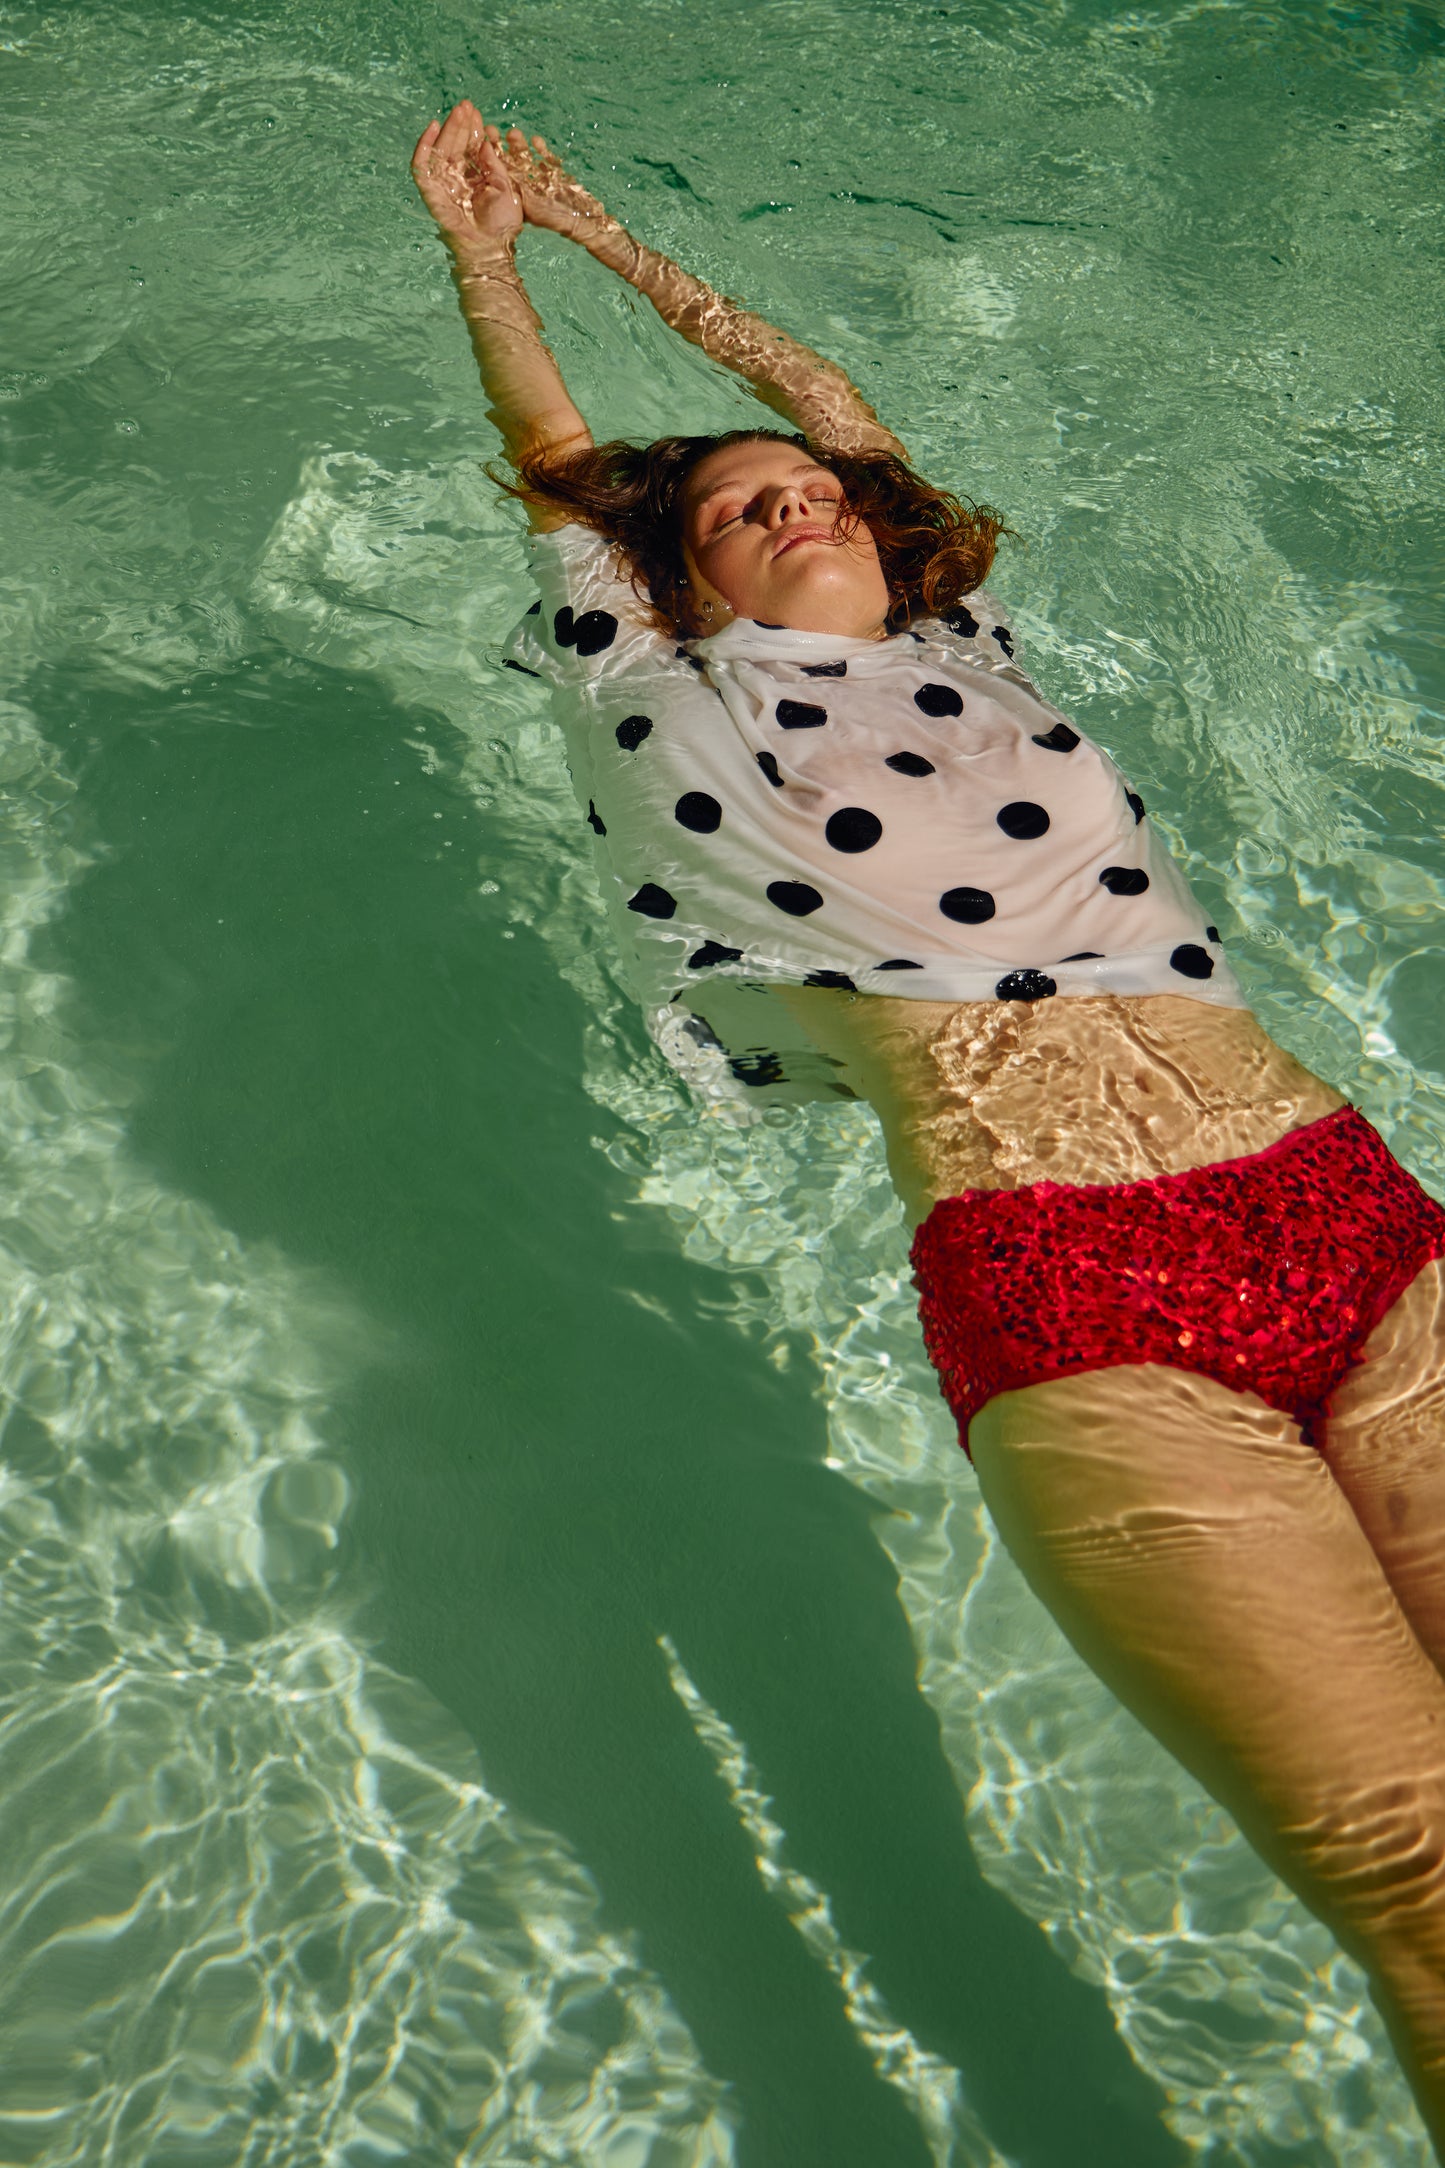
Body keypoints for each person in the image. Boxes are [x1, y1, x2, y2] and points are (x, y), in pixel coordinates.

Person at [411, 100, 1445, 2157]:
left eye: (816, 496)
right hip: (1082, 1306)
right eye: (736, 516)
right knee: (1422, 1880)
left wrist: (644, 251)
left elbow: (840, 413)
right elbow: (556, 475)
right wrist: (499, 262)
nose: (795, 507)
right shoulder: (668, 699)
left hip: (1345, 1210)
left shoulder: (976, 651)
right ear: (671, 581)